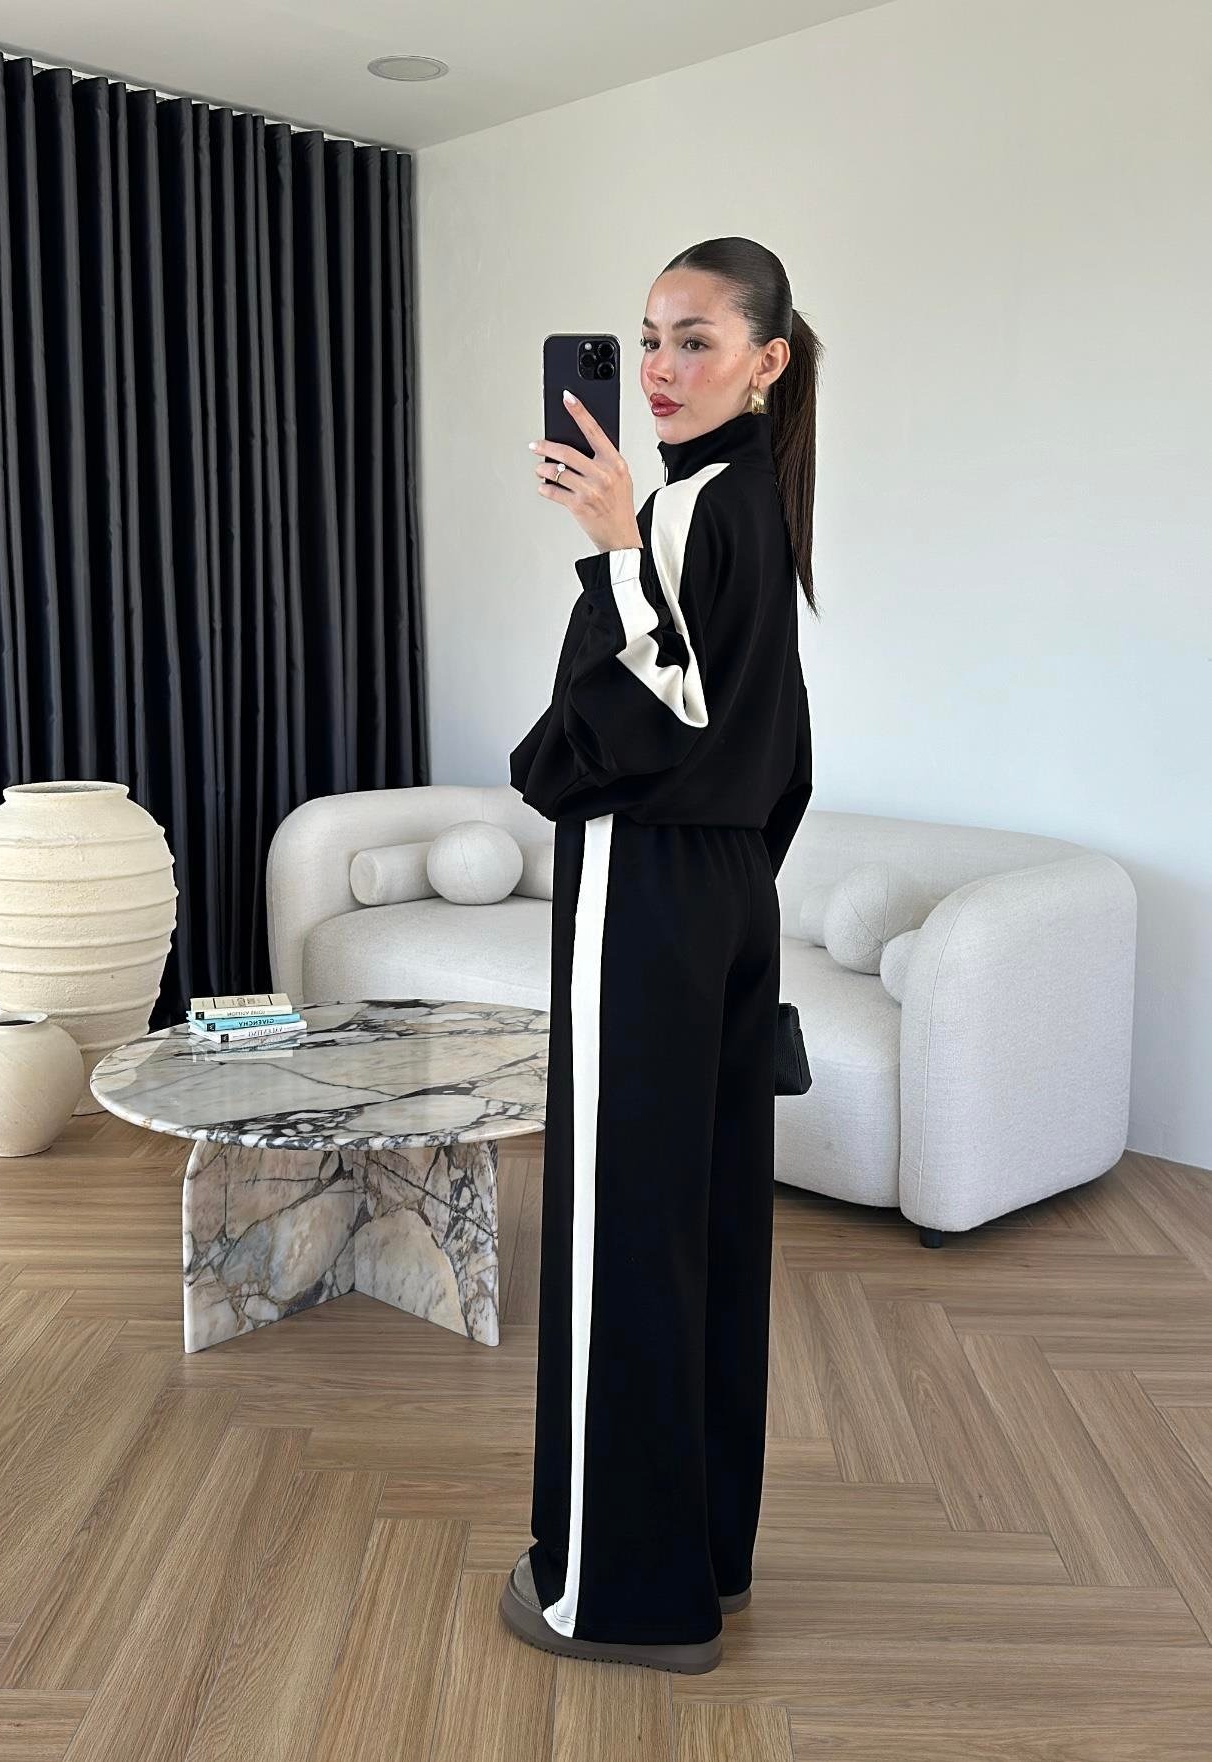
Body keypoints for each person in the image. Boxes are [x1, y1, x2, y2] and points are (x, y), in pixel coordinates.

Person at [501, 237, 820, 1675]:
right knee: (703, 1225)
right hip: (730, 894)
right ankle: (704, 1556)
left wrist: (615, 549)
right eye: (646, 339)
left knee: (617, 1230)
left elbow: (645, 717)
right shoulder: (757, 503)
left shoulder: (688, 507)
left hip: (647, 883)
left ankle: (614, 1595)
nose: (658, 369)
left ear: (768, 361)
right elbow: (776, 742)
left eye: (696, 340)